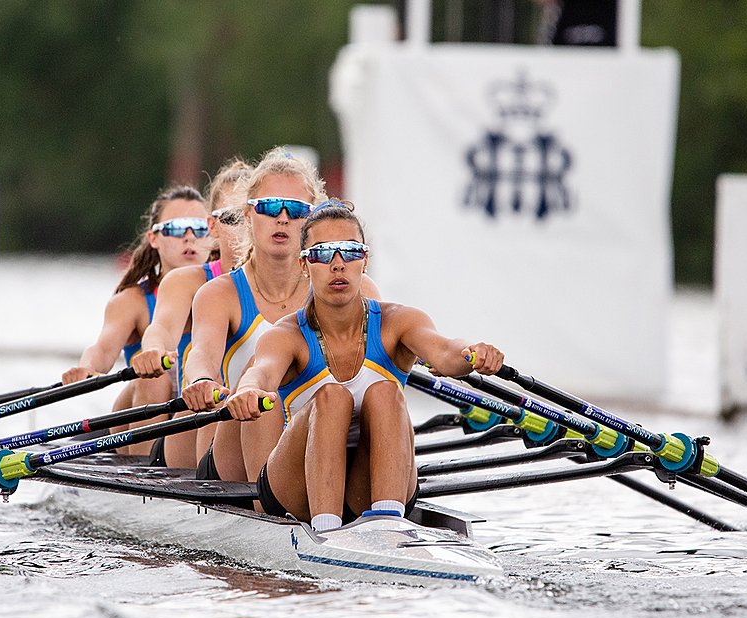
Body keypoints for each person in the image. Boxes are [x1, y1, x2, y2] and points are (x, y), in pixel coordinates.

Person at [225, 200, 505, 530]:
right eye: (323, 253)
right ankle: (327, 531)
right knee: (332, 397)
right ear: (304, 265)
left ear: (365, 260)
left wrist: (471, 352)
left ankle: (388, 527)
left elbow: (445, 351)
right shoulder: (285, 334)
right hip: (297, 486)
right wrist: (247, 390)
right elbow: (262, 371)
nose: (338, 264)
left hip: (366, 485)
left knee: (385, 393)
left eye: (349, 251)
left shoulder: (399, 321)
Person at [181, 147, 380, 484]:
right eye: (271, 207)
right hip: (233, 460)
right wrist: (200, 381)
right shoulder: (220, 294)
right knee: (263, 374)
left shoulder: (357, 289)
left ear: (312, 219)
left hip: (318, 440)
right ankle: (274, 508)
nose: (283, 218)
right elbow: (202, 353)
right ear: (247, 215)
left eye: (297, 210)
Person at [62, 185, 211, 455]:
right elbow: (103, 350)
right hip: (140, 414)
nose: (189, 238)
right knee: (155, 379)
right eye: (177, 229)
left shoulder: (227, 291)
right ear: (154, 238)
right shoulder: (132, 301)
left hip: (194, 418)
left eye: (200, 228)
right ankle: (145, 475)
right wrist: (85, 369)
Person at [130, 159, 253, 468]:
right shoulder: (188, 282)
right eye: (232, 218)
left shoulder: (302, 283)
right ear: (212, 227)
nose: (244, 229)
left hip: (261, 420)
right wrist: (154, 350)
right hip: (197, 426)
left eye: (250, 215)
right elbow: (161, 328)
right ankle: (142, 477)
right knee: (152, 379)